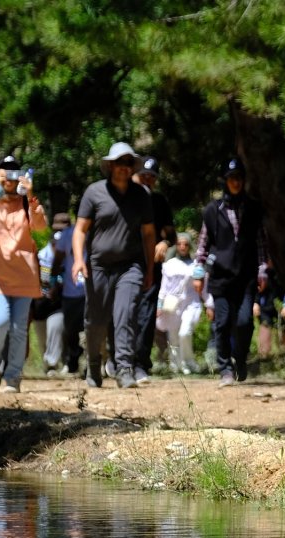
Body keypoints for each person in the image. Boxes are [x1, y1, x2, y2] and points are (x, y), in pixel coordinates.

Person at [73, 142, 156, 389]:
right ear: (110, 166)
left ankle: (125, 369)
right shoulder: (94, 192)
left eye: (128, 163)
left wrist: (149, 268)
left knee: (126, 314)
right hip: (98, 267)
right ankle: (95, 364)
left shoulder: (141, 196)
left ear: (132, 167)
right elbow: (80, 229)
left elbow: (149, 234)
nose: (123, 168)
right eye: (119, 163)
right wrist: (79, 259)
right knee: (95, 320)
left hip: (130, 266)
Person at [192, 158, 267, 387]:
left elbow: (260, 242)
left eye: (239, 178)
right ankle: (225, 367)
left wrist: (262, 270)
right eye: (231, 178)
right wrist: (198, 273)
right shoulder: (213, 210)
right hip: (220, 277)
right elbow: (204, 244)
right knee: (222, 323)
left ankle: (241, 359)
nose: (235, 182)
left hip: (246, 276)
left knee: (244, 322)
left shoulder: (254, 208)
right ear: (225, 181)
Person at [0, 156, 48, 393]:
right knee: (0, 321)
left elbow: (41, 230)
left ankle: (13, 376)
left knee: (19, 329)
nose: (9, 177)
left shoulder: (28, 204)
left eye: (14, 172)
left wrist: (30, 195)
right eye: (4, 173)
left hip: (24, 278)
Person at [131, 157, 177, 382]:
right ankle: (120, 359)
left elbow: (171, 234)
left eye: (152, 177)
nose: (147, 180)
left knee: (147, 314)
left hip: (151, 266)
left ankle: (140, 362)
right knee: (124, 312)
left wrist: (164, 243)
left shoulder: (160, 202)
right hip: (125, 264)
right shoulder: (125, 197)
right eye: (144, 176)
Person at [157, 233, 204, 374]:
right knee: (173, 336)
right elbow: (164, 286)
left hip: (191, 303)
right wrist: (160, 304)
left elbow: (202, 287)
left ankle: (188, 361)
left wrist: (209, 303)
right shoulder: (169, 265)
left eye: (185, 244)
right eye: (179, 244)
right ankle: (175, 363)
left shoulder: (196, 265)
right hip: (173, 304)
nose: (183, 247)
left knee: (185, 332)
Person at [31, 215, 71, 377]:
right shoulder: (40, 256)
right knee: (42, 337)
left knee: (55, 327)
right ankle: (48, 365)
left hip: (58, 304)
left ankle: (53, 364)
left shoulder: (72, 257)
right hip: (39, 304)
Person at [51, 213, 85, 375]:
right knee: (71, 330)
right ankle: (72, 362)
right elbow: (57, 261)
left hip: (92, 291)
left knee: (92, 328)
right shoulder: (67, 235)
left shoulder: (96, 231)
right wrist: (53, 282)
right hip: (71, 292)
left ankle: (94, 363)